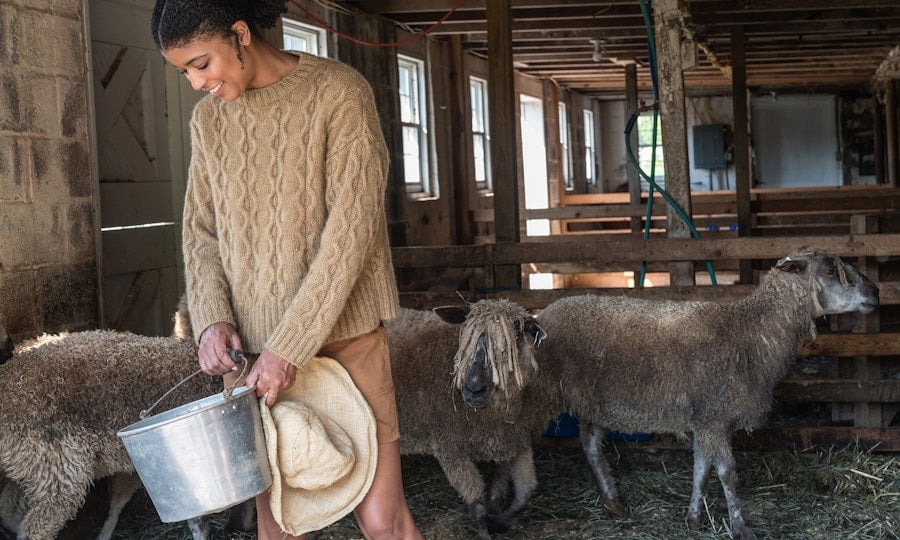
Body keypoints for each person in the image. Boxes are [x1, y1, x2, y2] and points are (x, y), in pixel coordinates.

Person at [150, 1, 423, 539]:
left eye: (201, 63)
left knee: (382, 519)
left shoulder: (338, 93)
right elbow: (201, 232)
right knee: (277, 526)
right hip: (250, 355)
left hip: (346, 341)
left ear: (240, 33)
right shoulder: (209, 120)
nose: (195, 81)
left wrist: (290, 345)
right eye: (184, 71)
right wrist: (210, 321)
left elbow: (351, 230)